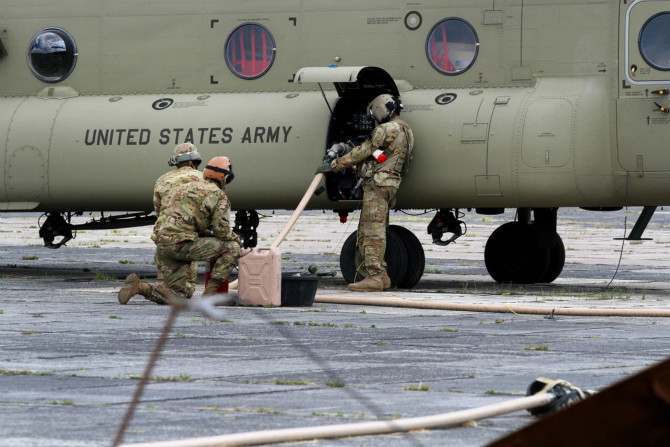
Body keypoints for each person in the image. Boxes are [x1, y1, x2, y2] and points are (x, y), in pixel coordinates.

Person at [318, 94, 414, 292]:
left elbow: (364, 150)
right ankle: (383, 277)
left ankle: (375, 276)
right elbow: (381, 156)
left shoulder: (385, 129)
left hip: (378, 184)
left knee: (372, 231)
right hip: (390, 182)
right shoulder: (406, 130)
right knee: (370, 227)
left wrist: (335, 165)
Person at [118, 156, 243, 305]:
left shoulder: (182, 188)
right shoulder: (218, 195)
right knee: (232, 248)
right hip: (182, 245)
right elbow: (221, 231)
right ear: (223, 178)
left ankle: (140, 287)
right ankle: (210, 296)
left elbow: (163, 211)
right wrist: (236, 239)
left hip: (163, 247)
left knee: (179, 296)